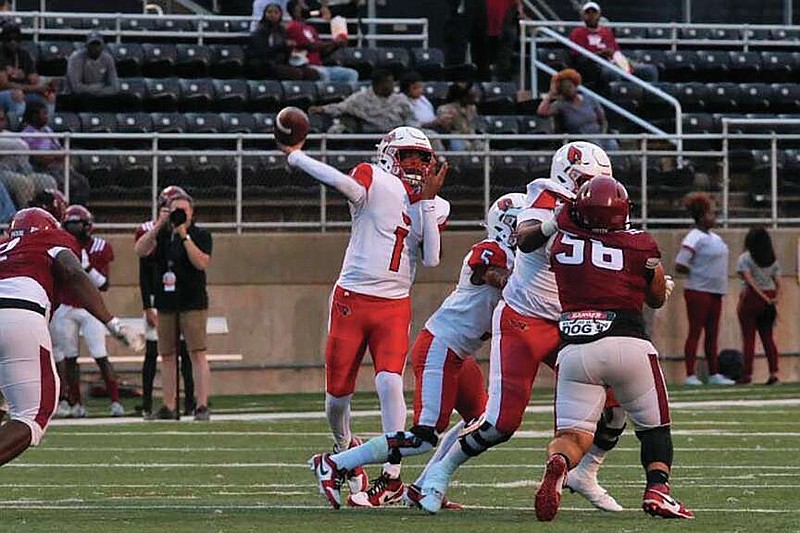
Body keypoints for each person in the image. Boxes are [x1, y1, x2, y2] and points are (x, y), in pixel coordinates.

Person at [417, 141, 624, 515]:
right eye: (586, 181)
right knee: (501, 423)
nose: (592, 191)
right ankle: (438, 474)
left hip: (568, 325)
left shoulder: (597, 210)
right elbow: (527, 238)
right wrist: (558, 218)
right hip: (523, 321)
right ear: (568, 175)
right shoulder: (544, 195)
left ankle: (586, 471)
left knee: (616, 399)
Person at [309, 193, 525, 509]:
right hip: (440, 347)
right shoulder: (491, 251)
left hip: (460, 355)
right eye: (523, 224)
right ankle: (335, 463)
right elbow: (503, 281)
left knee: (480, 420)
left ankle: (421, 487)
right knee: (423, 436)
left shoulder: (517, 259)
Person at [280, 126, 449, 508]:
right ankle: (344, 446)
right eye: (407, 155)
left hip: (394, 303)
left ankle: (391, 473)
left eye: (422, 158)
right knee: (337, 398)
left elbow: (433, 258)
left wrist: (426, 201)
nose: (415, 165)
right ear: (389, 154)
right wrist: (296, 156)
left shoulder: (437, 204)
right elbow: (345, 185)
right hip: (352, 299)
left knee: (390, 382)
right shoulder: (373, 177)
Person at [529, 176, 692, 521]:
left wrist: (558, 217)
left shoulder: (560, 241)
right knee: (653, 427)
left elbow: (527, 240)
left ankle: (560, 462)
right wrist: (660, 284)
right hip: (628, 343)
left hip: (575, 350)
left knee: (572, 436)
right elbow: (656, 297)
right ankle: (658, 489)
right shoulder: (639, 243)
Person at [0, 208, 142, 468]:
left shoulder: (4, 247)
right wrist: (112, 323)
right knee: (33, 413)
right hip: (18, 313)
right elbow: (74, 272)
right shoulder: (53, 239)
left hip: (12, 314)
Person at [134, 193, 213, 421]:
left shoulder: (200, 234)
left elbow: (201, 262)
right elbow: (140, 250)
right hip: (166, 302)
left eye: (184, 210)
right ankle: (168, 405)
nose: (180, 213)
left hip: (192, 301)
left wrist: (184, 235)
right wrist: (160, 224)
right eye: (175, 209)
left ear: (192, 213)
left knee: (197, 352)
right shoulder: (162, 235)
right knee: (166, 354)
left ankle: (201, 405)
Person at [50, 205, 123, 418]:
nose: (73, 229)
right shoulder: (60, 247)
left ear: (87, 226)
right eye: (70, 225)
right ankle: (76, 403)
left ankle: (116, 401)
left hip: (91, 308)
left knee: (100, 354)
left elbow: (103, 284)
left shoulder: (99, 246)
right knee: (70, 357)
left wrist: (86, 267)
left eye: (77, 224)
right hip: (65, 306)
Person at [675, 192, 733, 386]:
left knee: (712, 334)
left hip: (716, 291)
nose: (713, 218)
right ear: (701, 216)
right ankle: (690, 374)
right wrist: (698, 272)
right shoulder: (694, 237)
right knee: (695, 332)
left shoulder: (715, 237)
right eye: (710, 214)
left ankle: (714, 373)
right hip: (698, 290)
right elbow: (680, 264)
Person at [568, 2, 658, 91]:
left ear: (599, 15)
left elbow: (616, 53)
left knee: (649, 70)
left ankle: (647, 96)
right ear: (583, 16)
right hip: (595, 65)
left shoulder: (606, 32)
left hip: (613, 61)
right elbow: (578, 58)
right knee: (612, 72)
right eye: (588, 13)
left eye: (594, 12)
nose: (591, 15)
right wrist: (600, 54)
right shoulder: (577, 32)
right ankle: (616, 97)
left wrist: (628, 65)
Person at [21, 101, 90, 205]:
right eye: (44, 113)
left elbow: (60, 150)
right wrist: (55, 156)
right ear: (34, 116)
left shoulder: (47, 130)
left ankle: (76, 213)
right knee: (66, 184)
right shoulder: (26, 134)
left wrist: (55, 156)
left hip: (58, 167)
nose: (47, 116)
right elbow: (37, 159)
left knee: (82, 182)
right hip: (42, 170)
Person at [736, 227, 781, 385]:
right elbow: (778, 282)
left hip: (751, 298)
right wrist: (774, 298)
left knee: (749, 339)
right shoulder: (772, 259)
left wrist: (761, 296)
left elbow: (749, 280)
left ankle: (747, 374)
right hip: (769, 295)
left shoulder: (745, 258)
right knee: (768, 339)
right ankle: (773, 372)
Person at [537, 68, 619, 154]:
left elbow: (603, 120)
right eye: (564, 87)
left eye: (569, 86)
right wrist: (550, 94)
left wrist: (602, 134)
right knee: (596, 146)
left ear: (575, 85)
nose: (568, 89)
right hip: (580, 140)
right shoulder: (561, 105)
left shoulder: (590, 99)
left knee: (612, 144)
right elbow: (542, 112)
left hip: (598, 135)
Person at [308, 69, 414, 133]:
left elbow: (410, 119)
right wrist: (322, 109)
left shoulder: (400, 99)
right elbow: (341, 107)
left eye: (392, 82)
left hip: (396, 136)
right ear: (377, 84)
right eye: (388, 83)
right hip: (371, 136)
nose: (392, 86)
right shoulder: (360, 99)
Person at [285, 0, 358, 82]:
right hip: (306, 67)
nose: (307, 7)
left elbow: (321, 52)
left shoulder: (310, 28)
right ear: (296, 10)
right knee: (323, 75)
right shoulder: (292, 27)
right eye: (303, 5)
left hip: (319, 66)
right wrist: (333, 42)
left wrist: (336, 45)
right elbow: (311, 46)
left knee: (351, 74)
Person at [0, 109, 59, 208]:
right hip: (2, 173)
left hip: (22, 171)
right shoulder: (15, 139)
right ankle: (26, 218)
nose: (1, 122)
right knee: (23, 183)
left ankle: (50, 216)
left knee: (48, 181)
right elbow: (21, 145)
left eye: (2, 119)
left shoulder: (9, 134)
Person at [246, 3, 320, 81]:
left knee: (312, 74)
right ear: (265, 14)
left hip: (282, 62)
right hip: (265, 64)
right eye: (269, 12)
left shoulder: (282, 31)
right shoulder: (259, 31)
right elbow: (262, 52)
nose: (272, 15)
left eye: (276, 12)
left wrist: (290, 48)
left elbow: (286, 52)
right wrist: (282, 45)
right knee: (295, 74)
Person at [0, 22, 56, 117]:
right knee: (17, 94)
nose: (13, 42)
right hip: (4, 93)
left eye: (16, 39)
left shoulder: (24, 54)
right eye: (9, 40)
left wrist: (45, 87)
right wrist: (35, 88)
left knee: (49, 96)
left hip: (24, 91)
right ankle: (16, 128)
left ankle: (45, 128)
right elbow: (4, 84)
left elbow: (33, 79)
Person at [65, 32, 120, 112]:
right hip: (78, 97)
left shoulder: (108, 58)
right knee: (84, 99)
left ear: (103, 46)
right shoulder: (75, 58)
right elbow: (76, 88)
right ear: (86, 46)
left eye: (98, 45)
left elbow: (115, 87)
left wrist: (97, 91)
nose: (95, 48)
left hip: (101, 95)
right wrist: (99, 87)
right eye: (92, 45)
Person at [443, 0, 489, 79]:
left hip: (477, 7)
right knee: (456, 48)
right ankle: (453, 82)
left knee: (481, 46)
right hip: (459, 9)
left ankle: (482, 83)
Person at [435, 81, 482, 152]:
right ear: (464, 96)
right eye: (471, 93)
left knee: (482, 146)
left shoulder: (472, 108)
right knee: (458, 146)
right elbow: (445, 129)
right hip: (454, 137)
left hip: (471, 137)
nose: (475, 94)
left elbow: (474, 127)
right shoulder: (445, 109)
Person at [486, 0, 525, 81]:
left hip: (505, 22)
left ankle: (499, 79)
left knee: (503, 56)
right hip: (488, 22)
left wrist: (519, 7)